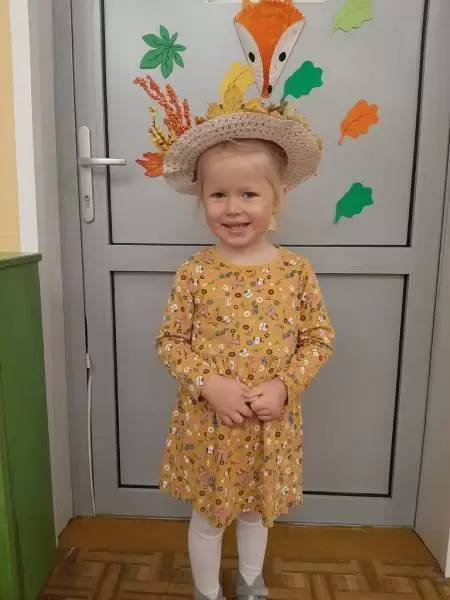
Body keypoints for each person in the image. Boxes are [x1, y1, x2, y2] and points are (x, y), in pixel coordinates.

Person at [138, 75, 335, 600]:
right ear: (202, 200)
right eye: (218, 195)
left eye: (249, 194)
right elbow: (169, 341)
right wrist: (210, 384)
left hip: (270, 424)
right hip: (210, 424)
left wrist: (285, 385)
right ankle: (207, 592)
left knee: (255, 510)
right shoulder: (195, 272)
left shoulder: (296, 271)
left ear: (276, 200)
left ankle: (250, 581)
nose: (233, 208)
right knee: (209, 515)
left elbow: (318, 338)